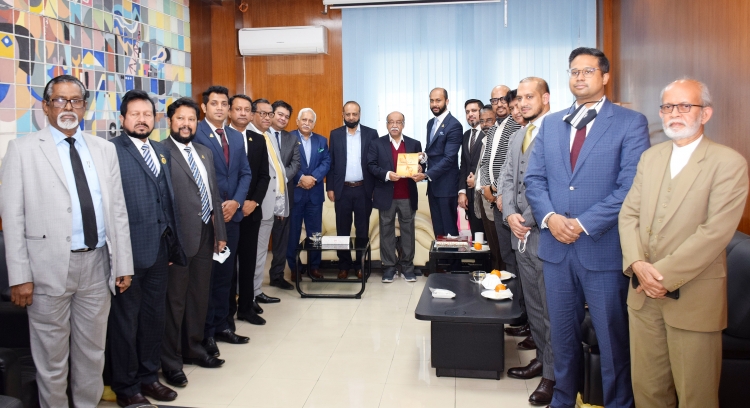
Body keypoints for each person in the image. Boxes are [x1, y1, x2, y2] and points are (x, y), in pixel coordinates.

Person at [524, 47, 650, 408]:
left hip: (602, 249)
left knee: (612, 340)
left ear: (605, 76)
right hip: (555, 249)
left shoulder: (630, 122)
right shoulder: (552, 123)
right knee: (562, 337)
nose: (579, 77)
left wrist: (581, 224)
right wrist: (550, 218)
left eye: (588, 71)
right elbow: (534, 180)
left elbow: (630, 188)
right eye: (574, 71)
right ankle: (563, 399)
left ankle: (618, 403)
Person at [0, 74, 133, 407]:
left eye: (75, 100)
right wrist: (20, 276)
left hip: (98, 265)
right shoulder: (22, 150)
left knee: (92, 353)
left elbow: (117, 210)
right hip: (46, 269)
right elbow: (12, 219)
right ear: (46, 107)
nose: (68, 107)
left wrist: (123, 264)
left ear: (84, 107)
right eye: (59, 100)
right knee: (51, 360)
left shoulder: (104, 149)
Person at [619, 79, 749, 408]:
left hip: (694, 298)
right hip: (642, 295)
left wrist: (659, 275)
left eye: (684, 106)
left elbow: (714, 233)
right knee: (647, 391)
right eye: (667, 107)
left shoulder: (728, 162)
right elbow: (628, 214)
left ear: (705, 114)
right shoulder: (650, 157)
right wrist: (637, 264)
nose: (674, 113)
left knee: (696, 396)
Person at [108, 90, 185, 406]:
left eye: (147, 114)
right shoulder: (111, 151)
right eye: (135, 114)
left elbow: (166, 200)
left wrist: (171, 245)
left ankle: (149, 377)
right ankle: (127, 387)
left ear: (155, 119)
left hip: (159, 252)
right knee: (126, 323)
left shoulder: (160, 150)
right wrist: (118, 258)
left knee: (154, 318)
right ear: (123, 118)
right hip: (128, 254)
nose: (142, 120)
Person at [161, 98, 227, 386]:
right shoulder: (161, 152)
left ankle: (194, 348)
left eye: (191, 119)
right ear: (170, 121)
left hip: (205, 234)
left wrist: (220, 233)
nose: (186, 124)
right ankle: (171, 361)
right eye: (180, 119)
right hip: (177, 239)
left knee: (199, 296)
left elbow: (213, 194)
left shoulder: (204, 152)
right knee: (174, 302)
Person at [501, 77, 555, 406]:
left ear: (545, 98)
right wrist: (510, 214)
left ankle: (553, 375)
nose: (522, 103)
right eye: (519, 98)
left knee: (550, 309)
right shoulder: (518, 135)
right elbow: (508, 178)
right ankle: (540, 359)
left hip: (544, 233)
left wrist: (527, 219)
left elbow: (555, 183)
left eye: (529, 97)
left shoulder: (558, 131)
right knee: (533, 305)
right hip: (518, 232)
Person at [194, 85, 252, 356]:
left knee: (226, 277)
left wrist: (236, 202)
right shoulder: (196, 134)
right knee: (207, 278)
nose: (219, 108)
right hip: (209, 218)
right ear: (204, 107)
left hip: (232, 216)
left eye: (223, 104)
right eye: (214, 103)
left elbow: (245, 173)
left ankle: (223, 326)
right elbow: (196, 177)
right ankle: (205, 333)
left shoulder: (236, 136)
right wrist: (218, 207)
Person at [228, 94, 272, 327]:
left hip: (251, 211)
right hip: (228, 211)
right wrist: (236, 202)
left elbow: (264, 176)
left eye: (247, 109)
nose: (243, 113)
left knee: (248, 261)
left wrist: (253, 201)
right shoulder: (222, 137)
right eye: (238, 109)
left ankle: (246, 306)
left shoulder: (258, 139)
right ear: (230, 112)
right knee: (227, 266)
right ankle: (227, 311)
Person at [367, 112, 423, 283]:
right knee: (386, 232)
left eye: (398, 122)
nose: (394, 125)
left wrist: (420, 168)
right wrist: (387, 175)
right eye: (391, 122)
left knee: (408, 231)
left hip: (407, 195)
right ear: (386, 124)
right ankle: (389, 267)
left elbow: (422, 165)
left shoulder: (413, 143)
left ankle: (407, 267)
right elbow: (371, 165)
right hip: (386, 196)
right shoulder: (377, 143)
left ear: (403, 125)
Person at [327, 101, 379, 279]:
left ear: (359, 114)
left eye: (354, 114)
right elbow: (332, 163)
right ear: (343, 115)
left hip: (364, 189)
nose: (351, 117)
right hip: (342, 190)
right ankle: (344, 265)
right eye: (348, 114)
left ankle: (360, 265)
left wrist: (375, 188)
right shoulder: (335, 134)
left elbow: (375, 163)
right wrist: (330, 187)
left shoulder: (371, 134)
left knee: (362, 230)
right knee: (342, 230)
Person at [286, 108, 331, 279]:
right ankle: (294, 267)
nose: (307, 123)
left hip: (315, 194)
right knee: (293, 233)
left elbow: (326, 161)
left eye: (310, 120)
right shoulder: (288, 138)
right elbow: (285, 162)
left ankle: (314, 266)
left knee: (315, 234)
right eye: (304, 120)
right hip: (295, 193)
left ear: (314, 123)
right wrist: (301, 178)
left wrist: (314, 178)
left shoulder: (321, 140)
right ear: (297, 121)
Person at [268, 100, 301, 290]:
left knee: (281, 238)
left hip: (284, 196)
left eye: (287, 117)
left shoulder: (291, 138)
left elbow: (295, 164)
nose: (283, 119)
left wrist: (279, 180)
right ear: (271, 114)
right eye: (280, 114)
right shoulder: (260, 135)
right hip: (262, 196)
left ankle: (277, 276)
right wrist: (271, 181)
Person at [421, 88, 462, 240]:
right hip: (433, 187)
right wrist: (423, 158)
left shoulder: (454, 125)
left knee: (449, 233)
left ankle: (453, 258)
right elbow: (432, 152)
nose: (434, 104)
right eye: (432, 101)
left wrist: (426, 175)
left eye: (438, 100)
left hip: (446, 187)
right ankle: (441, 257)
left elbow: (449, 158)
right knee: (438, 232)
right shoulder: (430, 123)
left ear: (447, 101)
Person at [472, 105, 502, 271]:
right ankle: (495, 274)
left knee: (499, 245)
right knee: (492, 243)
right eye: (482, 121)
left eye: (489, 120)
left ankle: (501, 276)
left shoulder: (501, 140)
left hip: (494, 197)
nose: (485, 125)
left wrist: (491, 189)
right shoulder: (485, 140)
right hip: (482, 198)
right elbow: (483, 167)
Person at [458, 99, 486, 239]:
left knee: (490, 239)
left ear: (482, 112)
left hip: (485, 196)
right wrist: (462, 192)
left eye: (474, 111)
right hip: (470, 196)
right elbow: (463, 165)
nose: (470, 114)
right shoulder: (466, 135)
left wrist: (477, 180)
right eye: (467, 112)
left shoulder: (488, 133)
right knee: (477, 239)